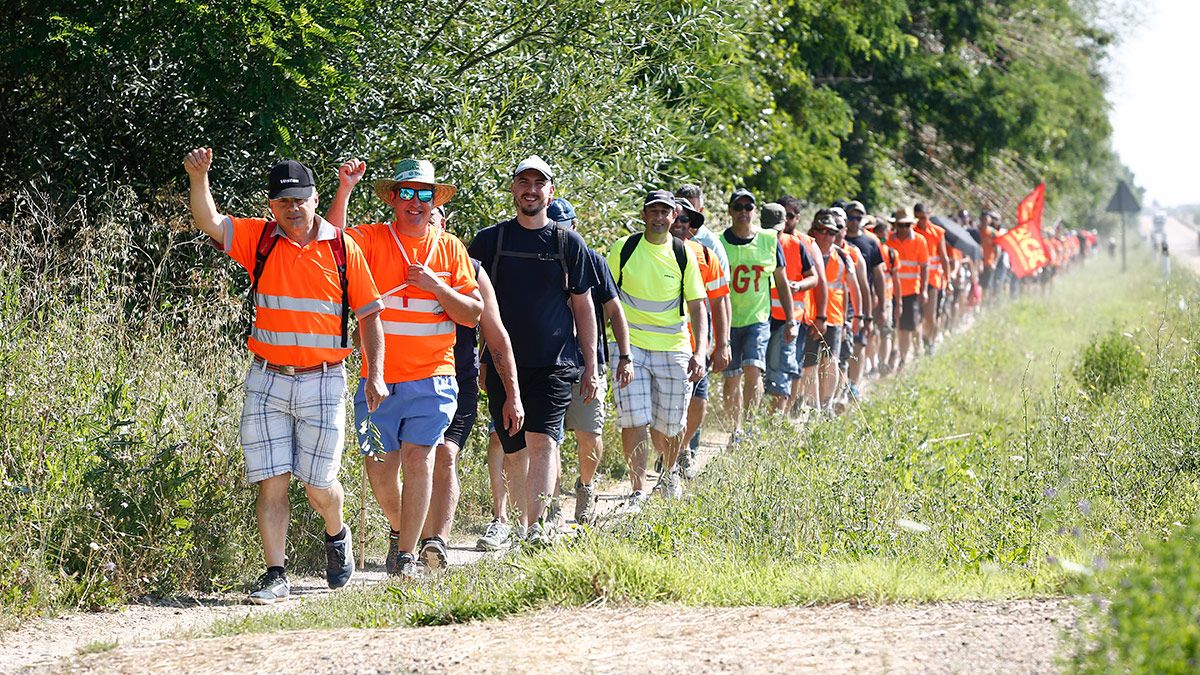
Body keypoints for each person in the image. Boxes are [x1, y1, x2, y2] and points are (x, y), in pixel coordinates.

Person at [183, 148, 387, 603]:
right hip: (267, 378)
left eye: (300, 200)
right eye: (283, 202)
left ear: (315, 199)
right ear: (271, 207)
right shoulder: (260, 239)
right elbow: (210, 221)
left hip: (324, 378)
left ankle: (337, 533)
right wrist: (199, 177)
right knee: (272, 480)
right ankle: (276, 573)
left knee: (318, 486)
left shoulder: (342, 248)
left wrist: (375, 374)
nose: (293, 209)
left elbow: (370, 315)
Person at [327, 158, 483, 578]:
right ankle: (400, 529)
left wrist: (436, 285)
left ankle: (407, 555)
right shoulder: (375, 239)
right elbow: (332, 243)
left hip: (435, 376)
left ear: (435, 201)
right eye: (408, 193)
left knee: (420, 458)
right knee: (378, 469)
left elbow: (472, 314)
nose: (416, 202)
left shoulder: (451, 249)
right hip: (376, 378)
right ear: (394, 198)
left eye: (425, 194)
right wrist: (344, 190)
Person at [468, 156, 600, 547]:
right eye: (523, 182)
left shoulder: (567, 242)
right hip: (501, 363)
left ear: (550, 191)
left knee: (543, 441)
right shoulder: (490, 242)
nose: (530, 189)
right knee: (514, 447)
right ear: (513, 189)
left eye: (538, 183)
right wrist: (473, 359)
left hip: (554, 363)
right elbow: (466, 302)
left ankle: (535, 531)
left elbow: (584, 307)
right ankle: (512, 521)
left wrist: (590, 366)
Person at [419, 207, 523, 568]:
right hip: (406, 381)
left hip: (457, 382)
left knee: (446, 455)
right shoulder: (396, 266)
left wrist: (512, 393)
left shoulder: (471, 269)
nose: (426, 221)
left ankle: (437, 542)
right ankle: (409, 534)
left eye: (434, 216)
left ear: (443, 224)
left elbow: (496, 335)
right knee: (408, 462)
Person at [608, 190, 708, 505]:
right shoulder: (623, 249)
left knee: (672, 423)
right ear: (644, 214)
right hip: (629, 348)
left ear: (673, 217)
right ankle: (638, 489)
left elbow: (697, 306)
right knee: (633, 419)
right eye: (654, 211)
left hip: (674, 347)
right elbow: (605, 300)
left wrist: (700, 350)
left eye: (665, 212)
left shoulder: (683, 253)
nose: (659, 217)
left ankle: (669, 475)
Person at [547, 198, 633, 526]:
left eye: (565, 227)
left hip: (587, 362)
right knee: (548, 436)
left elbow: (614, 311)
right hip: (549, 361)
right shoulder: (540, 257)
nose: (560, 233)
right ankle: (551, 504)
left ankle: (585, 487)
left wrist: (624, 357)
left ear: (575, 226)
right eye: (555, 227)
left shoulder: (593, 261)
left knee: (588, 433)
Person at [719, 189, 795, 439]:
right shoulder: (718, 243)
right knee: (731, 377)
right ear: (730, 211)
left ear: (754, 212)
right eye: (738, 207)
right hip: (727, 320)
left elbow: (781, 282)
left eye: (748, 207)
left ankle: (750, 426)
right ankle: (735, 430)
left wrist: (791, 320)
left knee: (753, 368)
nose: (743, 212)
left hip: (758, 318)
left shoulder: (768, 241)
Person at [667, 197, 731, 478]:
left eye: (686, 220)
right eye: (677, 218)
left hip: (697, 345)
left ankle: (681, 450)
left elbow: (718, 301)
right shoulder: (650, 251)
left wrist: (722, 343)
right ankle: (670, 458)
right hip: (663, 343)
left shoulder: (705, 255)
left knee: (698, 403)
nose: (681, 224)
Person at [762, 202, 818, 413]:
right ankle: (758, 419)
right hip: (760, 317)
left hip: (788, 319)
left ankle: (776, 421)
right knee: (759, 370)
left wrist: (799, 285)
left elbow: (814, 278)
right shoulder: (756, 243)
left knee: (782, 370)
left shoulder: (796, 245)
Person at [804, 210, 859, 412]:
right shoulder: (806, 252)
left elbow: (849, 289)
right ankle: (812, 406)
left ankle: (826, 405)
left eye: (831, 232)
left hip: (834, 317)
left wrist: (850, 320)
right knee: (809, 363)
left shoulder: (842, 257)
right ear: (814, 231)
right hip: (809, 316)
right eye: (822, 230)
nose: (827, 235)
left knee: (830, 361)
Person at [779, 196, 828, 411]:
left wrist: (821, 316)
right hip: (768, 313)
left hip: (799, 315)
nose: (785, 220)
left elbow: (820, 280)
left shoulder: (807, 243)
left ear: (797, 218)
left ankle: (791, 407)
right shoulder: (766, 238)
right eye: (782, 215)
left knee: (794, 364)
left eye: (790, 216)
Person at [841, 201, 881, 399]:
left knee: (859, 343)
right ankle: (841, 384)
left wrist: (871, 312)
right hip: (840, 302)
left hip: (861, 301)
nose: (854, 221)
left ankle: (854, 384)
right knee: (842, 348)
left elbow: (876, 277)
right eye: (851, 217)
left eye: (858, 218)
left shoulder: (871, 243)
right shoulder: (834, 239)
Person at [887, 207, 930, 370]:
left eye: (907, 225)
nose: (904, 229)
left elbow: (924, 266)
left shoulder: (919, 241)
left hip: (911, 291)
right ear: (895, 225)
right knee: (892, 327)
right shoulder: (888, 241)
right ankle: (892, 353)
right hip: (890, 292)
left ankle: (903, 359)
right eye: (900, 225)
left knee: (906, 328)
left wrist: (924, 289)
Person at [913, 203, 951, 353]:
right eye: (919, 217)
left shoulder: (937, 232)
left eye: (925, 217)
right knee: (917, 317)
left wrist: (947, 281)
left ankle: (930, 341)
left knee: (930, 316)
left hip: (933, 280)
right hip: (916, 279)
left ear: (930, 214)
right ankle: (918, 347)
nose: (922, 220)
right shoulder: (912, 231)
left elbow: (944, 257)